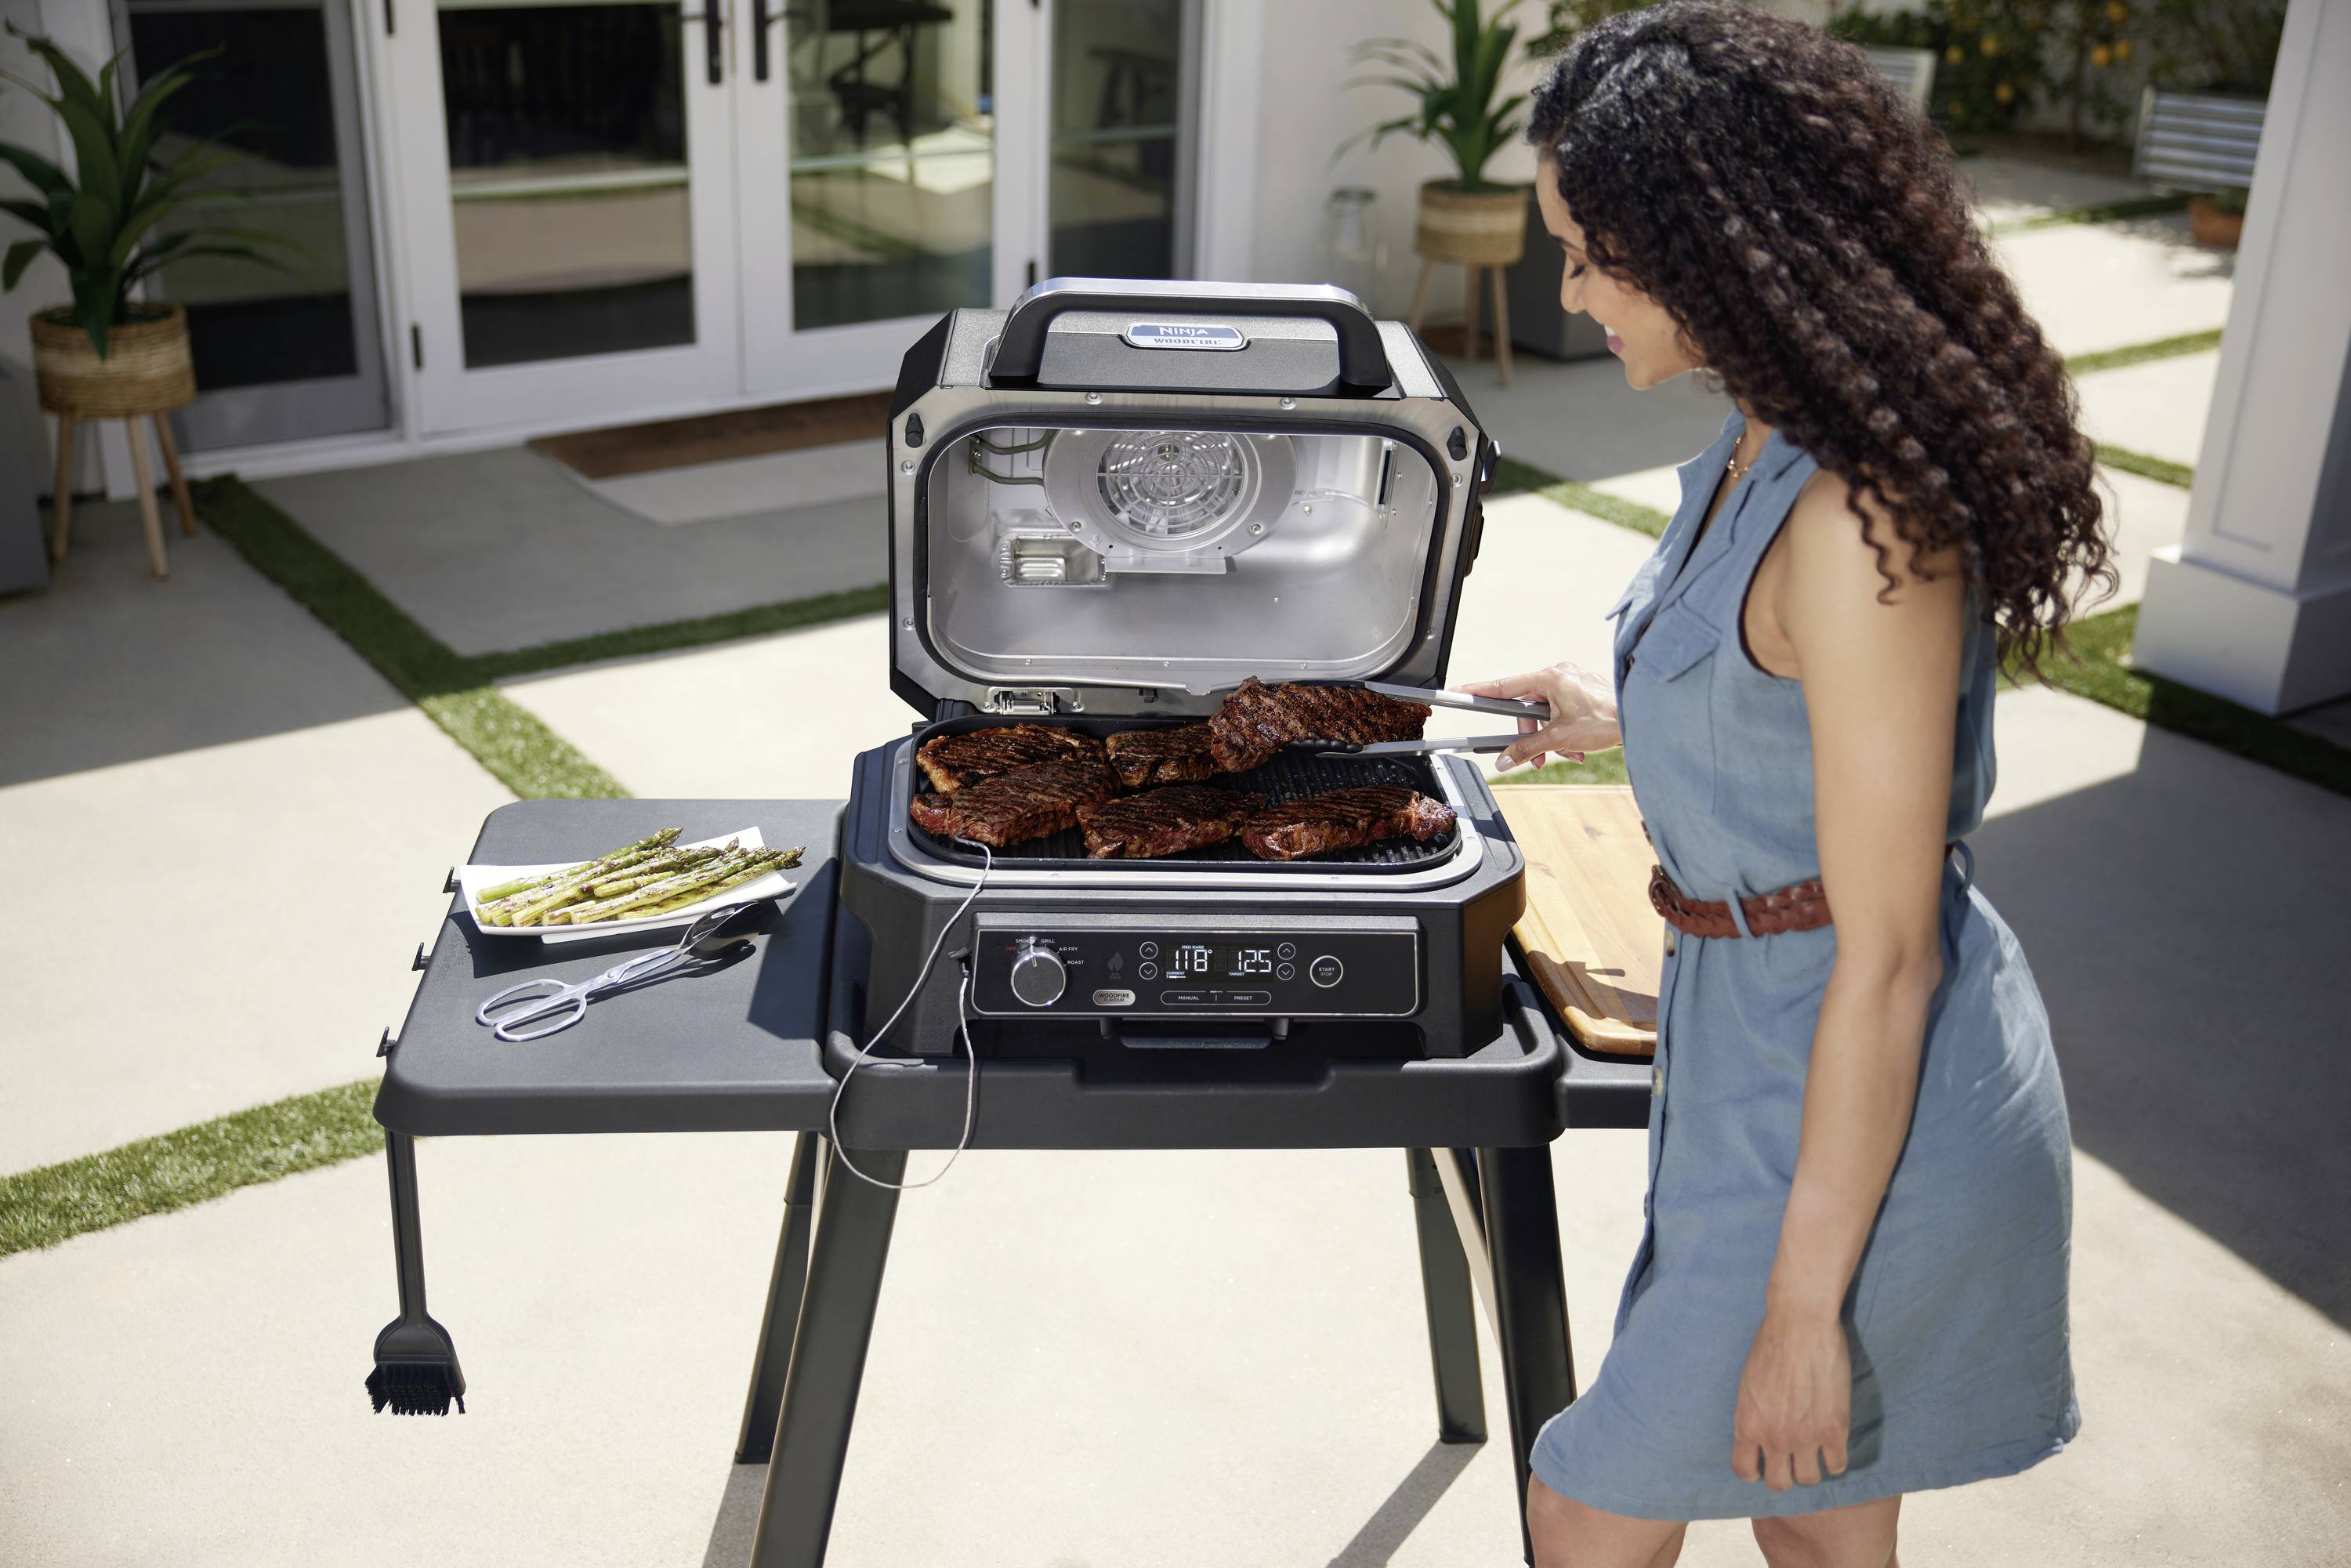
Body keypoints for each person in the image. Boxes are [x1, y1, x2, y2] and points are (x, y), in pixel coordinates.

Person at [1458, 5, 2110, 1564]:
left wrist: (1807, 1307)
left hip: (1866, 1091)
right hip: (1751, 1053)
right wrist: (1618, 700)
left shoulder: (1861, 511)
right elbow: (1785, 683)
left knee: (1591, 1503)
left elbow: (1890, 957)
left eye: (1596, 253)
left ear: (1718, 245)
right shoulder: (1759, 437)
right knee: (1819, 1535)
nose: (1573, 291)